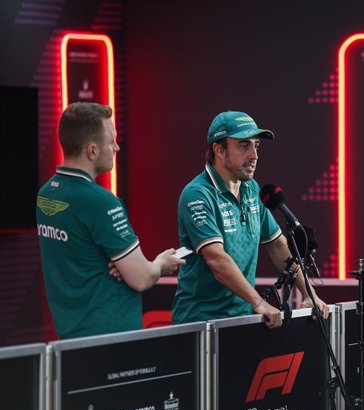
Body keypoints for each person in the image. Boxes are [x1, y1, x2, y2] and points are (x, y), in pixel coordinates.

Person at [36, 102, 184, 339]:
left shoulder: (46, 194)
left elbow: (82, 255)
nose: (116, 147)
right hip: (111, 341)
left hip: (69, 336)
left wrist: (118, 264)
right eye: (111, 141)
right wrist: (160, 264)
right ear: (92, 151)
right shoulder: (101, 202)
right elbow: (141, 277)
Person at [172, 110, 328, 327]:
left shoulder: (251, 189)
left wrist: (309, 292)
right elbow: (216, 259)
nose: (254, 155)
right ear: (218, 149)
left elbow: (277, 246)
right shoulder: (197, 194)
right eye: (244, 146)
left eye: (256, 145)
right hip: (200, 323)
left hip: (242, 318)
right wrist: (259, 302)